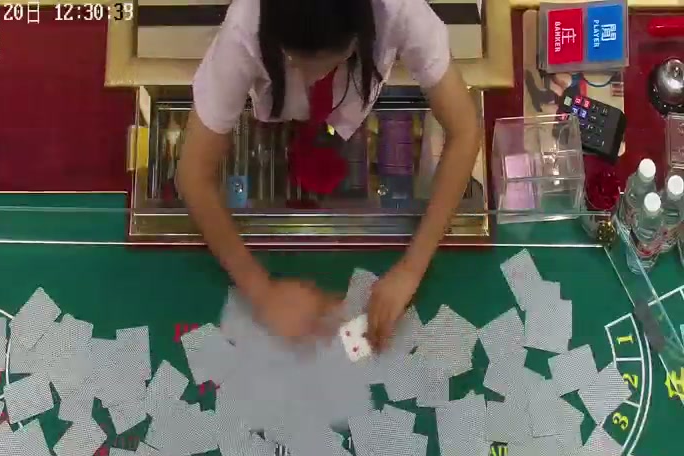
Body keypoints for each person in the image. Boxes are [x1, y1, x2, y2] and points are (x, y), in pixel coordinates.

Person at [177, 0, 482, 351]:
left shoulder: (399, 9)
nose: (312, 78)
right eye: (296, 61)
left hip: (352, 109)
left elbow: (465, 131)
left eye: (330, 62)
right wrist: (260, 291)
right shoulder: (245, 24)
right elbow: (193, 174)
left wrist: (412, 269)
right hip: (277, 120)